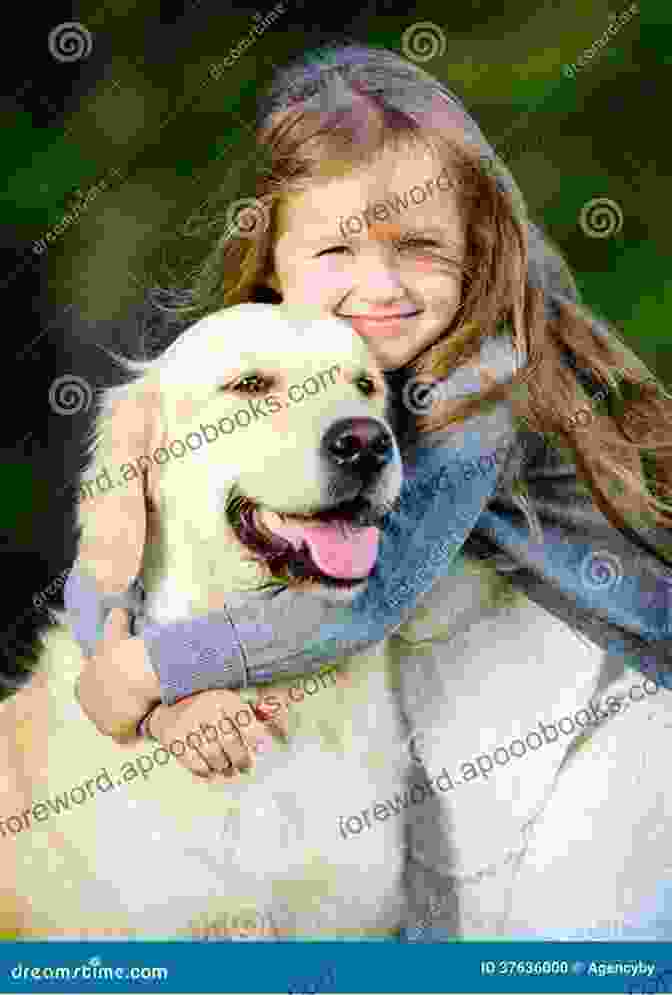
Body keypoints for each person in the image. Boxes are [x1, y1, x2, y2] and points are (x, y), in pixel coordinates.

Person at [64, 41, 672, 937]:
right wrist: (120, 668)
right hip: (479, 724)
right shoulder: (262, 361)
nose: (377, 286)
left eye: (420, 248)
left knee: (566, 933)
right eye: (338, 248)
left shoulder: (484, 384)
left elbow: (360, 603)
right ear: (272, 257)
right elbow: (118, 550)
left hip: (623, 706)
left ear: (479, 250)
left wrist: (151, 669)